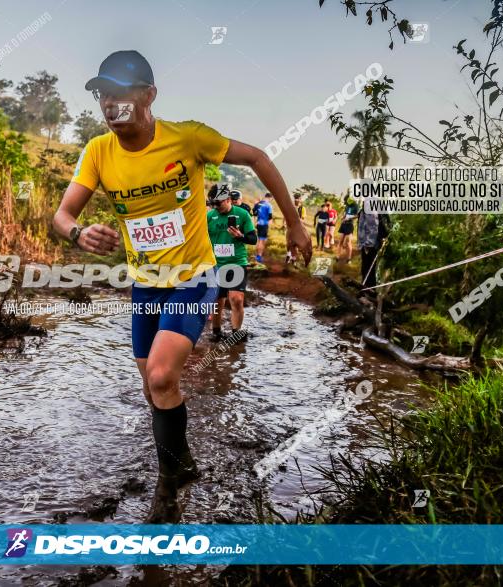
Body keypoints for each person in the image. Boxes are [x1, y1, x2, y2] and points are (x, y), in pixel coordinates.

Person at [53, 50, 312, 523]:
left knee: (160, 376)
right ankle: (182, 464)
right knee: (154, 390)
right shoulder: (98, 153)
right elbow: (62, 213)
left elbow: (256, 156)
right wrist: (77, 231)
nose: (110, 103)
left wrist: (294, 223)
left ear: (148, 95)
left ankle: (169, 483)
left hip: (195, 276)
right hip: (146, 285)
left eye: (120, 93)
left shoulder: (188, 137)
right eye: (102, 94)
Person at [206, 185, 256, 341]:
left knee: (237, 299)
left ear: (228, 200)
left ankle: (236, 333)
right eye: (212, 204)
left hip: (236, 262)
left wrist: (240, 236)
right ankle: (216, 332)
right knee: (217, 300)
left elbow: (253, 239)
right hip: (215, 264)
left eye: (218, 204)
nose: (215, 207)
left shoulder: (242, 214)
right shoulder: (209, 216)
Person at [357, 206, 390, 289]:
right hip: (369, 242)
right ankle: (367, 287)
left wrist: (384, 236)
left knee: (369, 266)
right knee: (368, 266)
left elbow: (385, 224)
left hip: (372, 242)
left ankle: (369, 288)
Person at [336, 196, 359, 263]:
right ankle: (337, 256)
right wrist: (343, 217)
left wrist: (350, 218)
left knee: (348, 242)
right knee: (340, 241)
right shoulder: (347, 206)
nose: (346, 202)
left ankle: (349, 259)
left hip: (350, 225)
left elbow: (357, 215)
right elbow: (345, 213)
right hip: (344, 224)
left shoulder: (356, 206)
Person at [252, 193, 273, 263]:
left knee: (258, 240)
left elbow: (254, 214)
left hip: (258, 224)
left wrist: (254, 223)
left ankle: (257, 255)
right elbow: (270, 217)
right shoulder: (269, 205)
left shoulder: (259, 204)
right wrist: (269, 227)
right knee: (262, 241)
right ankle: (259, 257)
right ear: (270, 198)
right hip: (264, 225)